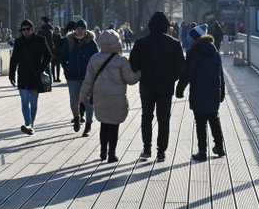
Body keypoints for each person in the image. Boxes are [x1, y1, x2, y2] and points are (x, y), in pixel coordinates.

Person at [128, 11, 185, 162]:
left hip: (146, 86)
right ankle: (161, 151)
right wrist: (172, 78)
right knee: (163, 118)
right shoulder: (174, 44)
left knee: (146, 117)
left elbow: (132, 64)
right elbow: (181, 67)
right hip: (165, 87)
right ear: (166, 27)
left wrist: (142, 72)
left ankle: (147, 148)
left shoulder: (141, 44)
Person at [79, 30, 140, 162]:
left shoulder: (94, 59)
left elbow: (88, 80)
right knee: (114, 125)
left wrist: (83, 97)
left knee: (104, 124)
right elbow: (131, 79)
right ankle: (112, 154)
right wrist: (140, 73)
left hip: (100, 97)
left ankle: (102, 152)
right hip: (116, 98)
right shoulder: (121, 61)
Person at [177, 24, 226, 161]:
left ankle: (202, 151)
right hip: (213, 91)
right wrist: (222, 92)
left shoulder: (193, 53)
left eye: (190, 37)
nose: (189, 40)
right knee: (214, 119)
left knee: (200, 122)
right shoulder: (214, 51)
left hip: (199, 91)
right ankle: (220, 148)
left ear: (196, 38)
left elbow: (188, 73)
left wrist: (180, 89)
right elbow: (220, 74)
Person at [8, 19, 52, 136]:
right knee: (24, 101)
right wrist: (11, 74)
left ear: (32, 29)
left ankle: (31, 124)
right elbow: (14, 59)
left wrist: (41, 69)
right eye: (23, 29)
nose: (26, 31)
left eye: (28, 29)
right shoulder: (18, 42)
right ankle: (27, 124)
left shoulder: (40, 40)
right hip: (22, 75)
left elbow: (48, 56)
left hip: (35, 75)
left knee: (33, 102)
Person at [62, 19, 98, 136]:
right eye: (78, 28)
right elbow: (63, 58)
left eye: (82, 28)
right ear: (75, 29)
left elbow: (97, 59)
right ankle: (76, 117)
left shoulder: (91, 42)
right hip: (72, 76)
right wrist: (66, 69)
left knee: (87, 101)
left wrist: (94, 72)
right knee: (74, 100)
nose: (80, 30)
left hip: (88, 76)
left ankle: (88, 125)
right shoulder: (69, 41)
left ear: (85, 29)